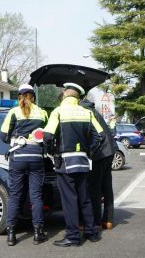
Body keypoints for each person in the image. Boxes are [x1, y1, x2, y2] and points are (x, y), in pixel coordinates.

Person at [43, 82, 105, 247]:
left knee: (70, 200)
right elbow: (100, 137)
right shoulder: (87, 113)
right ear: (78, 97)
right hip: (83, 162)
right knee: (84, 198)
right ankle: (92, 233)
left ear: (64, 94)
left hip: (65, 163)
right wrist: (88, 151)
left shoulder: (58, 112)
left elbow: (47, 136)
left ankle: (73, 236)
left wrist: (51, 152)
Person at [0, 84, 49, 246]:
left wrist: (15, 139)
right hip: (36, 158)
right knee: (35, 196)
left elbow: (3, 136)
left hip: (18, 158)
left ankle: (11, 234)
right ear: (33, 97)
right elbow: (48, 136)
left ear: (19, 96)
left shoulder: (13, 112)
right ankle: (38, 233)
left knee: (15, 195)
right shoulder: (42, 112)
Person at [79, 98, 117, 230]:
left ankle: (95, 221)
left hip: (100, 153)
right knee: (107, 186)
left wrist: (89, 152)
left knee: (94, 187)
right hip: (110, 151)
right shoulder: (94, 111)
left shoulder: (85, 112)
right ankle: (108, 220)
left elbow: (94, 135)